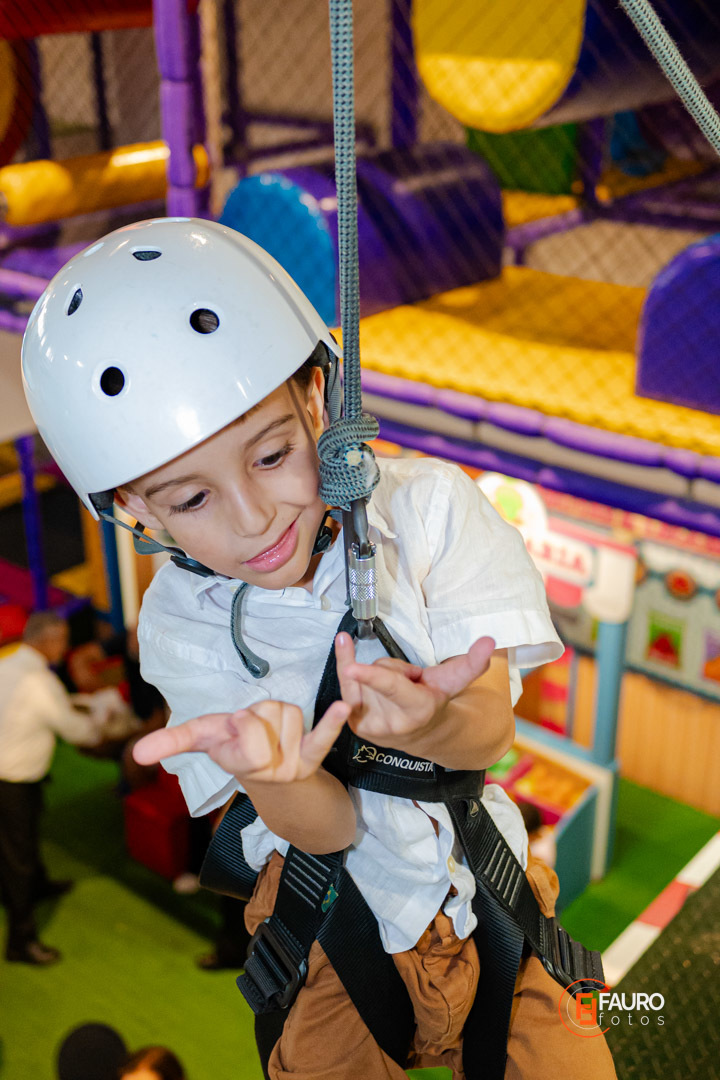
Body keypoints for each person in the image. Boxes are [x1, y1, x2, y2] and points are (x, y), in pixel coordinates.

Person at [21, 219, 616, 1077]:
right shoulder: (186, 622)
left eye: (271, 455)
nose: (253, 518)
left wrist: (431, 720)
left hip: (487, 894)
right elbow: (326, 828)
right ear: (136, 511)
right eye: (190, 500)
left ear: (315, 399)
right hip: (329, 934)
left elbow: (485, 737)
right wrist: (277, 778)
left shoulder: (426, 514)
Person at [0, 611, 101, 964]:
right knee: (18, 858)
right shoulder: (40, 682)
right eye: (64, 640)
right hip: (13, 783)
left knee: (18, 845)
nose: (66, 647)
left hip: (10, 777)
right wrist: (102, 724)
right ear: (51, 640)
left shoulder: (7, 664)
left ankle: (38, 885)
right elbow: (73, 730)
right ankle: (21, 940)